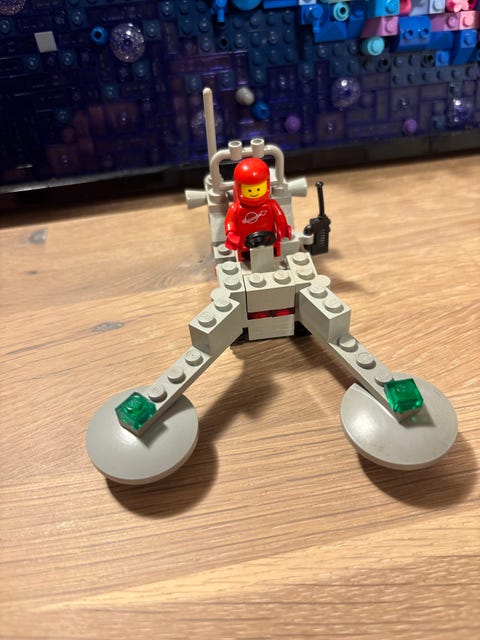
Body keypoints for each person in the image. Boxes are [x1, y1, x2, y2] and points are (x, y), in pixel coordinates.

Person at [225, 157, 292, 260]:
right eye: (249, 190)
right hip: (244, 245)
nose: (254, 193)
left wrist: (282, 227)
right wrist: (230, 233)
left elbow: (279, 217)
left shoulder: (271, 205)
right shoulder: (236, 208)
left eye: (258, 189)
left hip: (269, 241)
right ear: (239, 188)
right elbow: (230, 222)